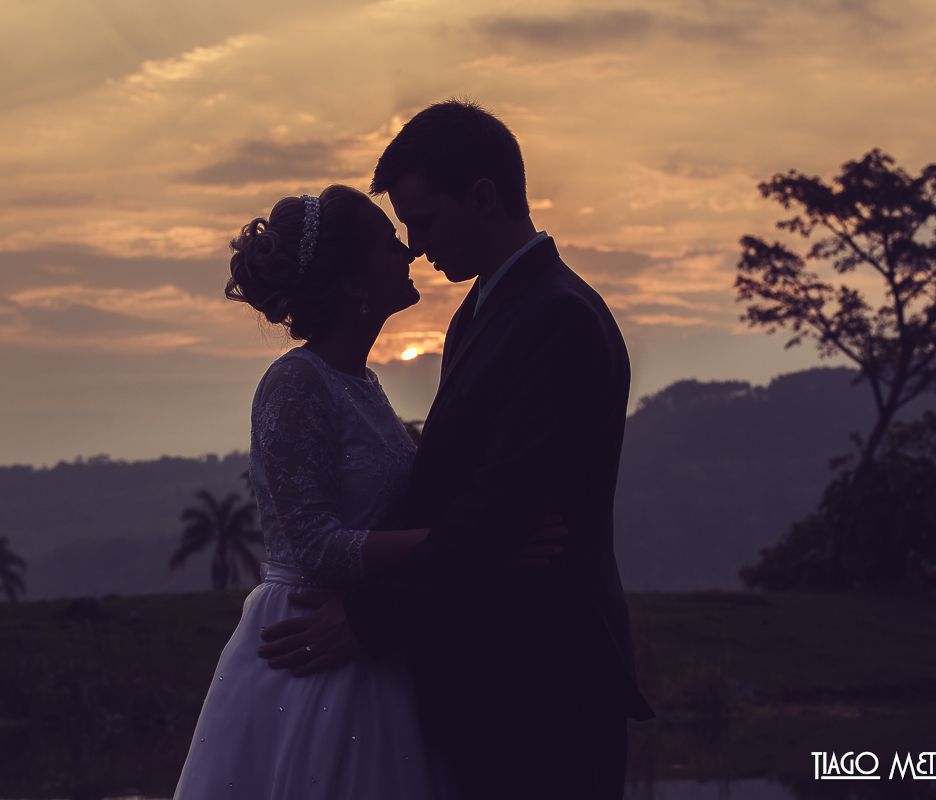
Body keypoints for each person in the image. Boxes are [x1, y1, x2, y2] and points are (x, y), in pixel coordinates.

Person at [257, 100, 655, 800]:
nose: (414, 244)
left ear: (483, 198)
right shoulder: (485, 312)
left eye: (425, 221)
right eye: (403, 230)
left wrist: (368, 618)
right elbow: (462, 508)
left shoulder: (557, 317)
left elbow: (498, 508)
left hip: (543, 696)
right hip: (492, 691)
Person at [171, 184, 563, 800]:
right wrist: (472, 546)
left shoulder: (363, 383)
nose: (408, 250)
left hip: (371, 641)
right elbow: (317, 549)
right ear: (355, 284)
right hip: (311, 642)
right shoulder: (295, 383)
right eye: (388, 244)